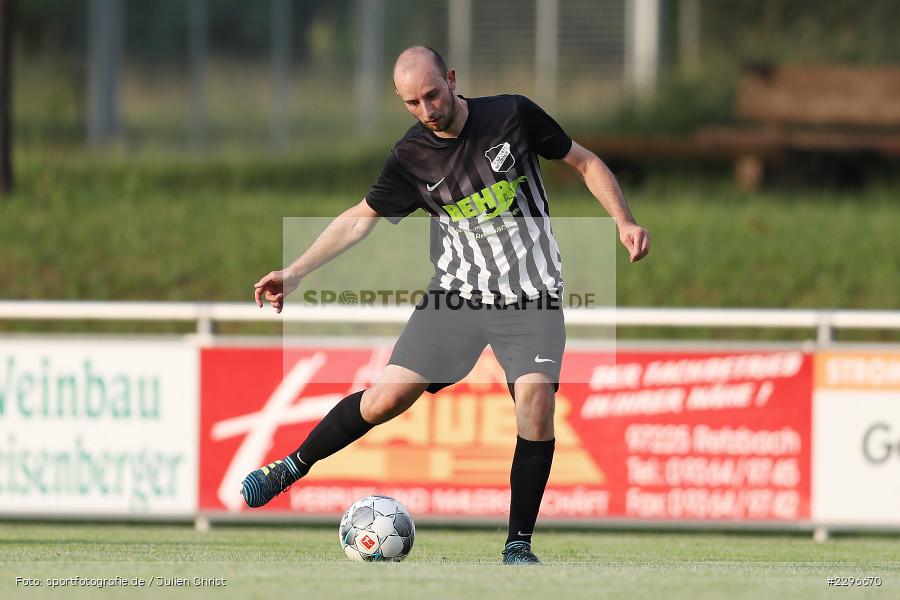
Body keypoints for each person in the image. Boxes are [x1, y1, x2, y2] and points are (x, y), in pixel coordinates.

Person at [241, 46, 650, 564]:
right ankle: (291, 466)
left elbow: (584, 161)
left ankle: (517, 545)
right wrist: (295, 271)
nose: (426, 109)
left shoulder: (512, 115)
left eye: (432, 94)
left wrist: (624, 220)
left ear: (452, 79)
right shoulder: (410, 156)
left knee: (536, 405)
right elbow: (359, 217)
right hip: (457, 296)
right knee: (384, 400)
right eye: (412, 102)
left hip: (532, 296)